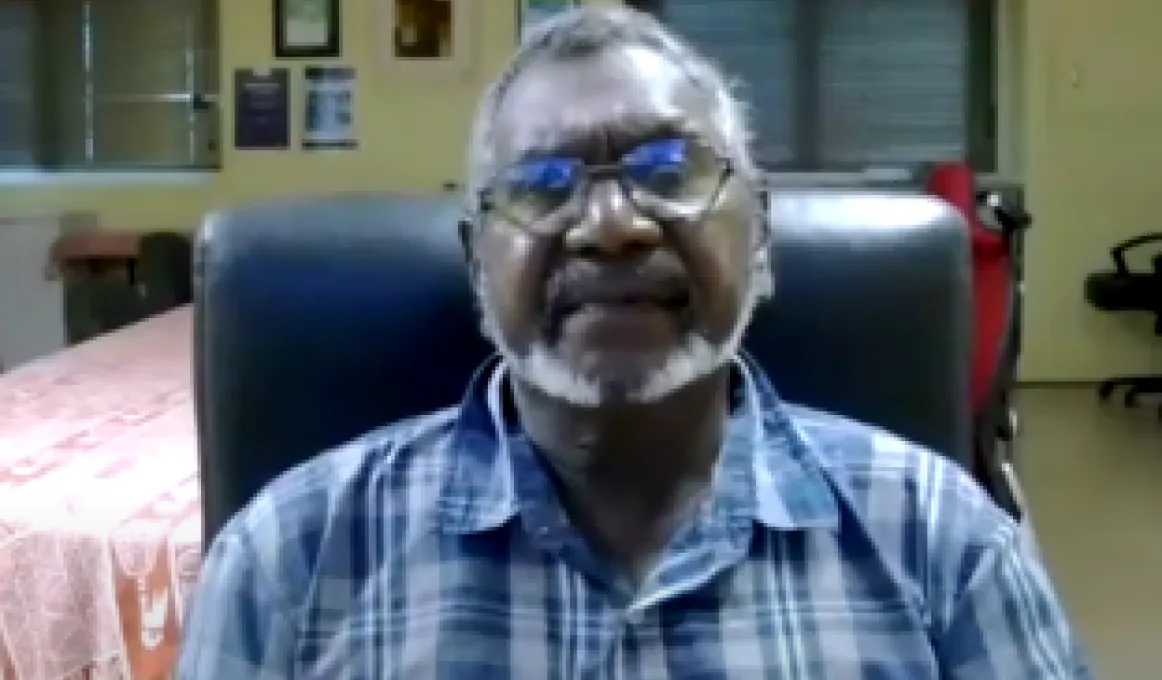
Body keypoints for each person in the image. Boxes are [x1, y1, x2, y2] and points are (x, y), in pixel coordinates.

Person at [178, 6, 1092, 678]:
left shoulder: (946, 543)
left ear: (761, 238)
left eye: (669, 171)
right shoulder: (289, 561)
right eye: (541, 185)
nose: (611, 227)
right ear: (474, 264)